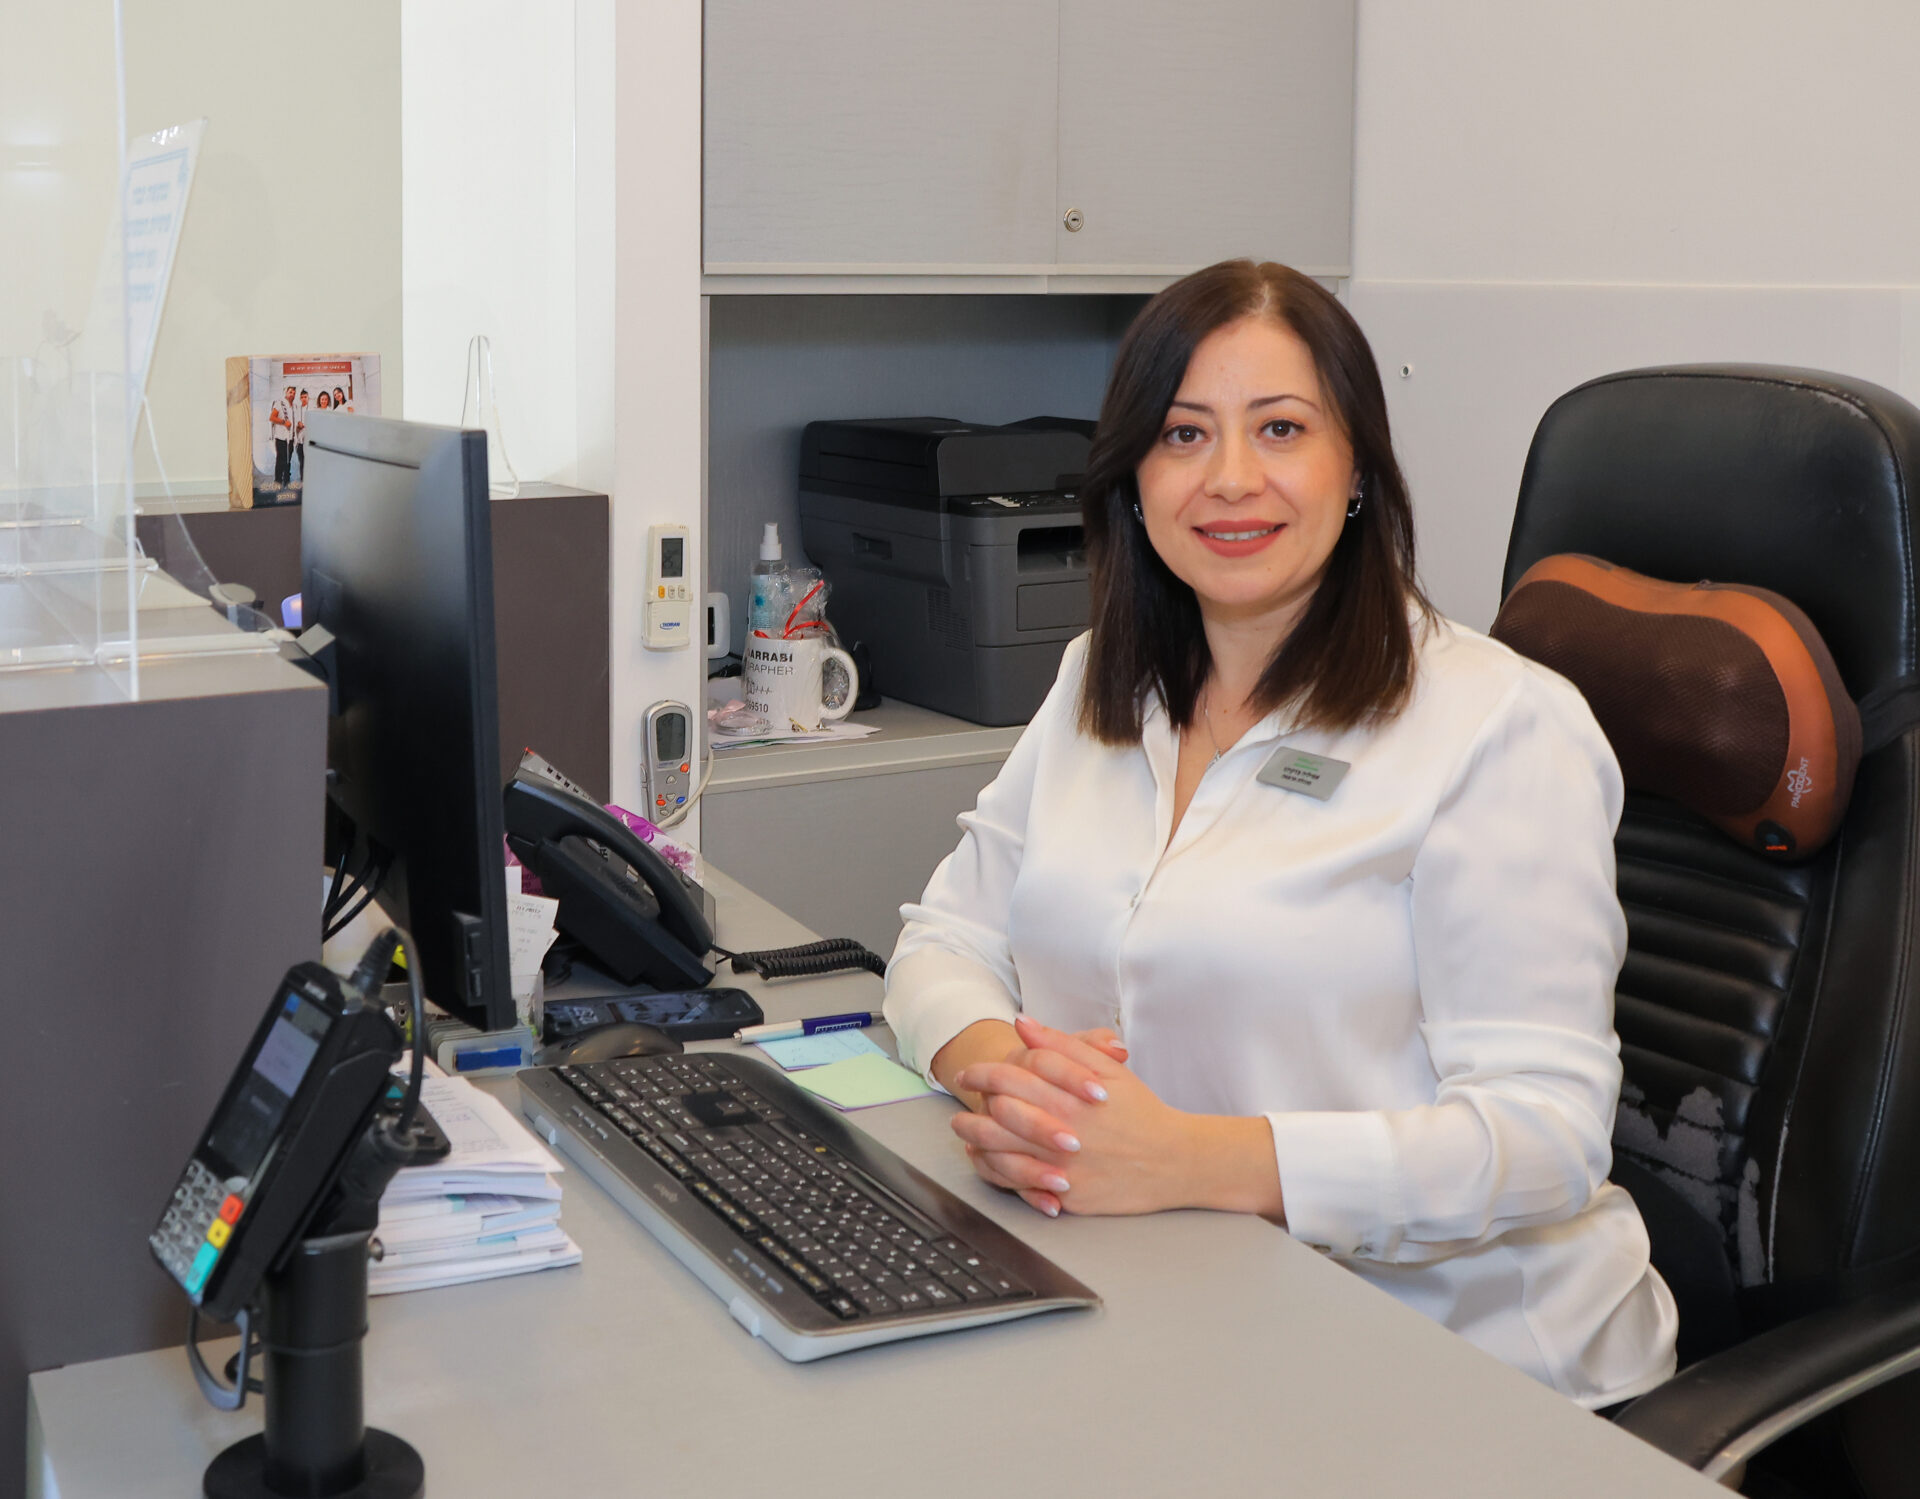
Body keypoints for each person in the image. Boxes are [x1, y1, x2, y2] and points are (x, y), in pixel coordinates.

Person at [882, 259, 1678, 1410]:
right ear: (1133, 478)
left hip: (1463, 1363)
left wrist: (1188, 1157)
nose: (1231, 478)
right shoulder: (1101, 685)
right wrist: (1015, 1084)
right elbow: (943, 938)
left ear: (1355, 468)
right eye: (1184, 434)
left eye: (1281, 428)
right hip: (1176, 1296)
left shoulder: (1498, 727)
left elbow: (1546, 1135)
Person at [269, 384, 296, 487]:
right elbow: (272, 417)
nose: (292, 394)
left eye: (294, 393)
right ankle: (278, 482)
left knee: (288, 460)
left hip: (290, 438)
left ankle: (286, 480)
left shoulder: (293, 406)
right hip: (281, 437)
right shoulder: (279, 403)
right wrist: (284, 422)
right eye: (290, 392)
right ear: (286, 392)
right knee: (280, 460)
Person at [293, 388, 310, 484]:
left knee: (309, 461)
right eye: (302, 397)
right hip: (299, 440)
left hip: (308, 438)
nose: (304, 399)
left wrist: (305, 425)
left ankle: (309, 481)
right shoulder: (297, 409)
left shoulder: (311, 409)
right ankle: (303, 481)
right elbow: (295, 421)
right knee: (302, 461)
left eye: (305, 397)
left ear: (308, 398)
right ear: (300, 398)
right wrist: (298, 424)